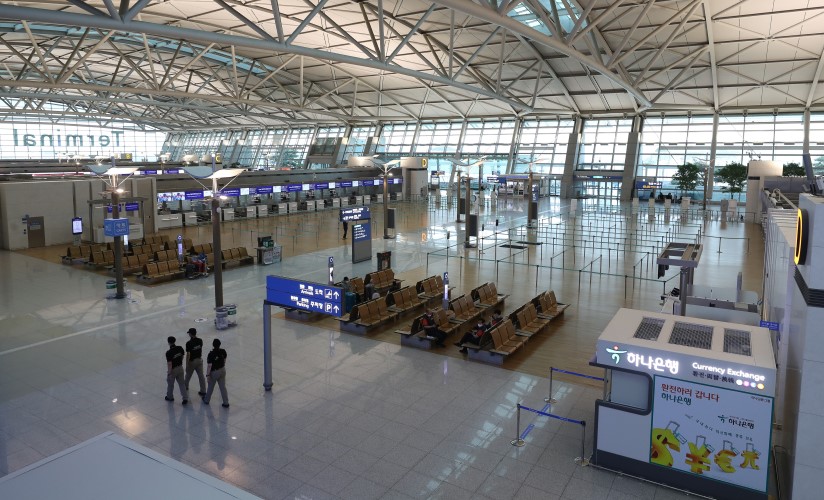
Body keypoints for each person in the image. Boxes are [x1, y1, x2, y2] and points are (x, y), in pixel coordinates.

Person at [203, 338, 229, 408]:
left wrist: (208, 375)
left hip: (214, 372)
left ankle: (206, 400)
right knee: (223, 387)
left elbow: (209, 366)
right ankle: (226, 402)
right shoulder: (223, 351)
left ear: (213, 345)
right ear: (219, 344)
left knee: (210, 387)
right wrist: (222, 366)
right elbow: (224, 360)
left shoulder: (211, 354)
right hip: (222, 370)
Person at [165, 336, 189, 404]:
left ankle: (170, 397)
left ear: (168, 342)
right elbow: (182, 356)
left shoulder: (168, 352)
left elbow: (170, 364)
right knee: (182, 384)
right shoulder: (180, 348)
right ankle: (185, 398)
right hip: (180, 368)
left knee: (170, 384)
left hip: (173, 370)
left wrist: (169, 373)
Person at [184, 328, 206, 397]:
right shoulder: (200, 340)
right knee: (201, 376)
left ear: (190, 334)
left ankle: (185, 387)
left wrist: (187, 364)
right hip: (199, 360)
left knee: (188, 375)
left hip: (192, 361)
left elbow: (188, 354)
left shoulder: (188, 343)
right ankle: (203, 391)